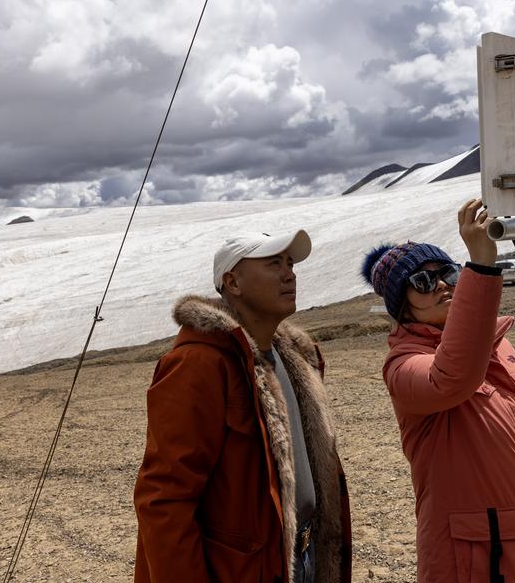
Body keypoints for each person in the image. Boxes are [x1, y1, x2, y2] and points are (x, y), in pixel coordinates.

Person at [360, 199, 515, 583]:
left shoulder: (499, 345)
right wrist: (481, 264)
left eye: (446, 272)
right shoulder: (403, 366)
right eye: (422, 282)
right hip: (482, 561)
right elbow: (452, 376)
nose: (441, 284)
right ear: (403, 308)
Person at [134, 230, 352, 583]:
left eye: (290, 263)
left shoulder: (294, 356)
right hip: (246, 570)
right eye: (273, 263)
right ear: (232, 282)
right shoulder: (198, 363)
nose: (289, 273)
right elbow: (165, 499)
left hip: (307, 555)